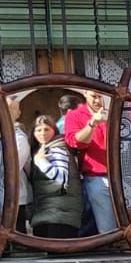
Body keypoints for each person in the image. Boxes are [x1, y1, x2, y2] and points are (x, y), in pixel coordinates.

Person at [63, 89, 114, 234]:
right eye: (94, 96)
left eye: (100, 96)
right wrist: (92, 123)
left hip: (120, 174)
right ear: (85, 93)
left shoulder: (112, 112)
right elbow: (74, 142)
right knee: (107, 227)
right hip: (97, 175)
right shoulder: (75, 115)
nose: (98, 100)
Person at [28, 116, 81, 240]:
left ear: (54, 131)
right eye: (39, 130)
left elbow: (60, 178)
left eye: (47, 129)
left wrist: (40, 162)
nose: (42, 133)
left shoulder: (57, 149)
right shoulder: (43, 149)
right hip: (49, 212)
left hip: (60, 215)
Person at [5, 96, 29, 234]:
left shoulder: (19, 138)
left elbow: (12, 167)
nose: (8, 111)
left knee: (16, 234)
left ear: (18, 113)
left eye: (12, 108)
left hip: (14, 196)